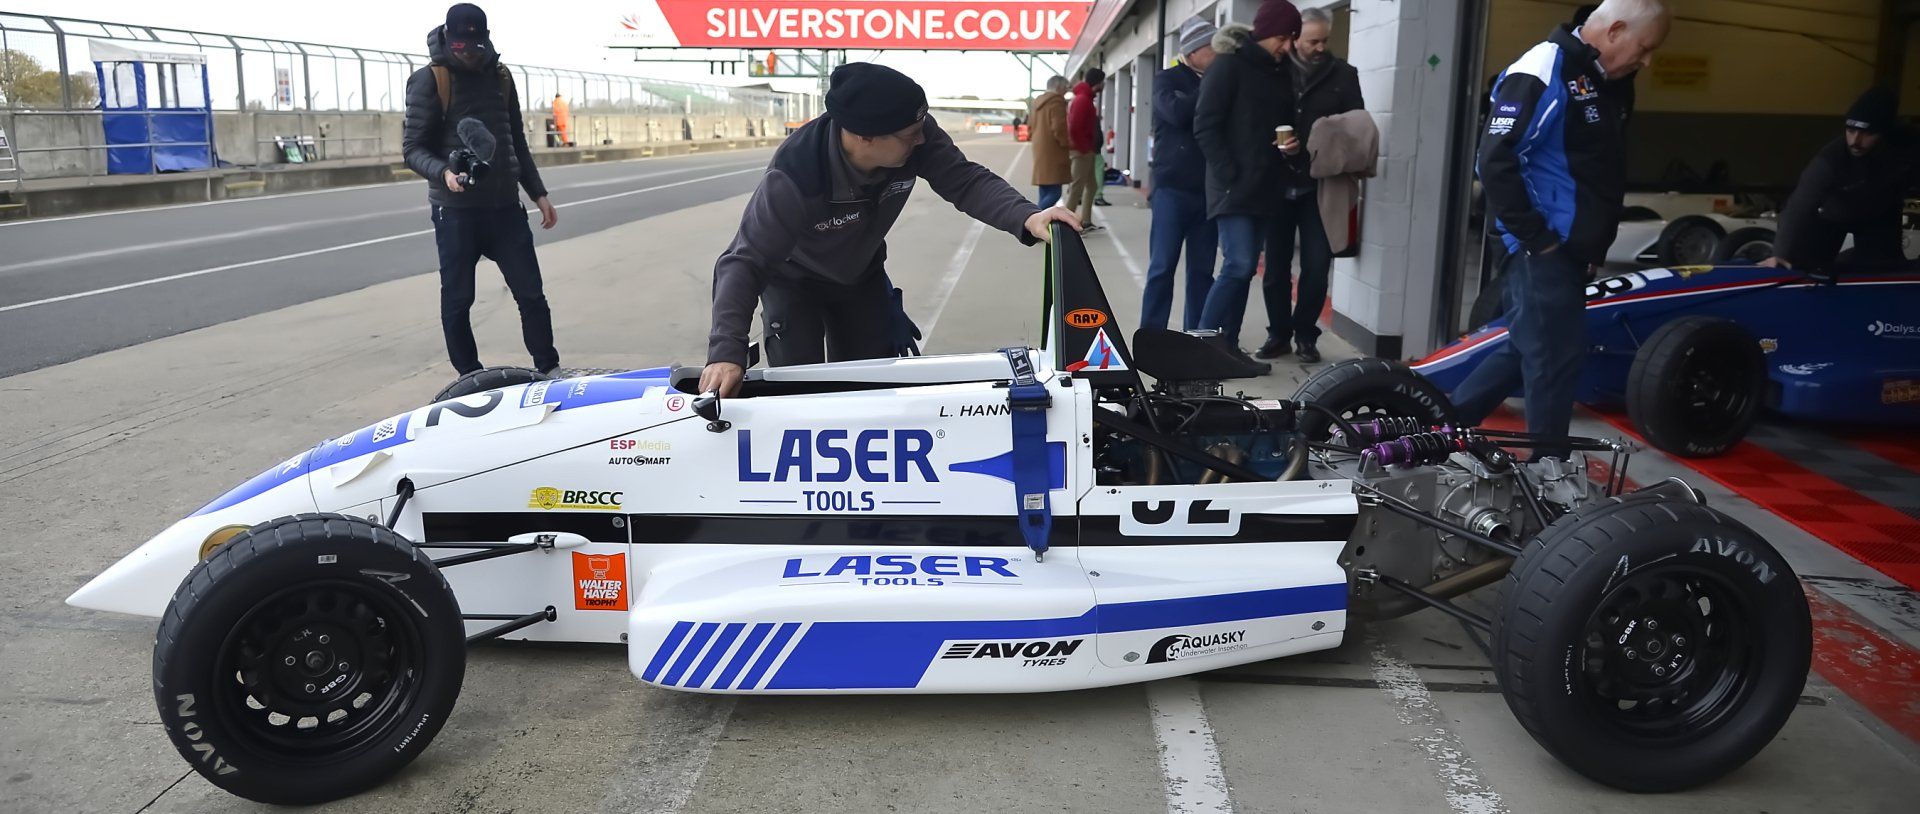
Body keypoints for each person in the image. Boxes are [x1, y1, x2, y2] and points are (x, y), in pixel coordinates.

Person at [698, 63, 1082, 398]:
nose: (921, 139)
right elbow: (743, 261)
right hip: (793, 283)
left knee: (870, 387)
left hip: (860, 276)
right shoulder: (796, 176)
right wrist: (726, 353)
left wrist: (1028, 216)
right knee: (799, 390)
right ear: (864, 136)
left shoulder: (915, 135)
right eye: (910, 134)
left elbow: (964, 180)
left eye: (921, 128)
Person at [1450, 0, 1671, 459]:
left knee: (1527, 348)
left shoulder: (1605, 81)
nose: (1646, 60)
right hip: (1542, 247)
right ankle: (1549, 473)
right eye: (1644, 47)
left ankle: (1435, 429)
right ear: (1615, 30)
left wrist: (1589, 243)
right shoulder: (1542, 68)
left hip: (1569, 249)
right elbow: (1493, 161)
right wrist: (1539, 239)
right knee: (1554, 361)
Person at [402, 3, 561, 377]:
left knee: (531, 294)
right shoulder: (430, 80)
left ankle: (549, 368)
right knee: (458, 300)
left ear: (486, 40)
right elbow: (412, 149)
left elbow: (515, 142)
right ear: (448, 39)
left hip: (504, 207)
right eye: (460, 48)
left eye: (474, 47)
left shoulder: (502, 77)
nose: (468, 55)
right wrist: (444, 174)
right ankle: (470, 375)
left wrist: (538, 192)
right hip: (455, 211)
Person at [1194, 0, 1302, 369]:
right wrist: (1229, 174)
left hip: (1264, 186)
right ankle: (1202, 348)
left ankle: (1229, 347)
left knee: (1243, 270)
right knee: (1238, 265)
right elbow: (1205, 125)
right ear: (1266, 31)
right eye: (1284, 37)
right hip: (1232, 187)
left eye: (1292, 38)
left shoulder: (1280, 72)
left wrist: (1291, 146)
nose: (1287, 46)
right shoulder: (1228, 66)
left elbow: (1282, 124)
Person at [1255, 6, 1363, 364]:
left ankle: (1306, 334)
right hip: (1277, 183)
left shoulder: (1344, 75)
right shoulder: (1274, 70)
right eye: (1313, 41)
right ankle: (1278, 334)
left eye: (1325, 41)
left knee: (1317, 266)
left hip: (1320, 187)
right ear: (1295, 39)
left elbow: (1355, 124)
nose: (1320, 47)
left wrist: (1325, 140)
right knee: (1275, 270)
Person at [1764, 87, 1918, 273]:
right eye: (1850, 130)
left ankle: (1855, 260)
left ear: (1886, 133)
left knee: (1882, 271)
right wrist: (1780, 254)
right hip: (1831, 216)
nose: (1855, 141)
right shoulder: (1830, 160)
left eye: (1867, 133)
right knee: (1805, 266)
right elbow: (1799, 207)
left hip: (1880, 216)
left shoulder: (1909, 146)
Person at [1141, 17, 1220, 332]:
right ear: (1194, 51)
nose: (1218, 53)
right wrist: (1210, 87)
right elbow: (1176, 112)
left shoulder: (1220, 80)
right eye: (1212, 47)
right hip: (1171, 191)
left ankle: (1196, 334)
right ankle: (1151, 334)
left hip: (1209, 192)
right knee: (1162, 267)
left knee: (1202, 272)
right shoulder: (1167, 79)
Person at [1067, 68, 1107, 232]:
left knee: (1091, 185)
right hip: (1082, 151)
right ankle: (1067, 225)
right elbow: (1075, 127)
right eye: (1102, 81)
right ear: (1097, 83)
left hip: (1086, 150)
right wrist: (1084, 148)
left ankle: (1086, 221)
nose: (1104, 84)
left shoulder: (1085, 99)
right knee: (1077, 187)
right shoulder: (1083, 100)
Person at [1030, 75, 1073, 210]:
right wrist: (1067, 143)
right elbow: (1058, 128)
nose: (1066, 91)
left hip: (1040, 149)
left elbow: (1030, 125)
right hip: (1053, 151)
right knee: (1055, 192)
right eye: (1066, 88)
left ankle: (1039, 221)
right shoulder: (1056, 102)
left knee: (1045, 189)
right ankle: (1036, 218)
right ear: (1058, 87)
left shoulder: (1037, 102)